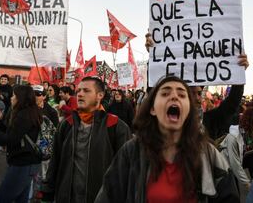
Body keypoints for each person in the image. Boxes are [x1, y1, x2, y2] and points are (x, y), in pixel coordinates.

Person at [95, 75, 239, 202]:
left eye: (182, 95)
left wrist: (238, 77)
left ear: (189, 110)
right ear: (152, 109)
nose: (174, 96)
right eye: (165, 93)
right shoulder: (131, 152)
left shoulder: (209, 154)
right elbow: (108, 195)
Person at [145, 32, 249, 141]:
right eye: (191, 93)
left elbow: (232, 103)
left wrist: (239, 73)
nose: (197, 97)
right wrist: (154, 57)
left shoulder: (210, 121)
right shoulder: (167, 120)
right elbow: (154, 93)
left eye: (199, 93)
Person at [42, 76, 131, 203]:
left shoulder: (116, 126)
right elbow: (55, 161)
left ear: (100, 95)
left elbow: (126, 171)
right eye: (78, 91)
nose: (80, 94)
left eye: (86, 91)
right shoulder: (67, 124)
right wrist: (47, 192)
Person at [0, 85, 42, 203]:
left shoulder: (24, 115)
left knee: (2, 199)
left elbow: (8, 139)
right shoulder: (27, 112)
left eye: (14, 95)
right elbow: (13, 132)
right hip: (27, 163)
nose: (11, 98)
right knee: (21, 199)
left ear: (21, 98)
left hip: (22, 164)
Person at [220, 107, 253, 202]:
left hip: (242, 159)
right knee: (235, 196)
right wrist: (247, 184)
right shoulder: (233, 137)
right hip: (227, 166)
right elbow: (234, 164)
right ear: (252, 120)